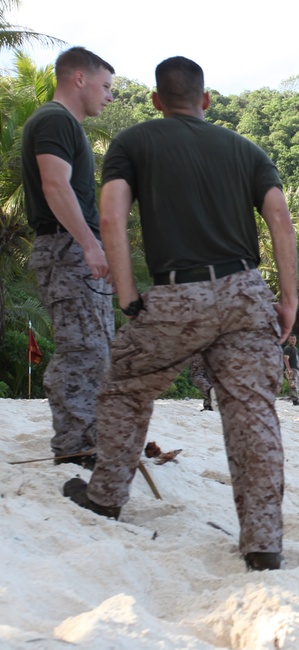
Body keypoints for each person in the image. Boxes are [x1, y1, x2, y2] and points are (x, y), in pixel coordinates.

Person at [61, 56, 299, 572]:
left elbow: (109, 216)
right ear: (206, 100)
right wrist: (289, 299)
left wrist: (128, 296)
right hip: (243, 291)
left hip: (175, 295)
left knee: (126, 387)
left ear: (155, 102)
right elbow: (280, 218)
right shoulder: (245, 149)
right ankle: (262, 544)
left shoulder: (134, 142)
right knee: (252, 413)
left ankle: (105, 497)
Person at [22, 47, 116, 469]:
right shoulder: (55, 119)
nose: (110, 96)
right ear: (80, 78)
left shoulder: (66, 125)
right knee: (82, 350)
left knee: (98, 349)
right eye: (107, 86)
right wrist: (90, 244)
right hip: (65, 248)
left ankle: (89, 439)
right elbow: (54, 185)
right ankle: (75, 448)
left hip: (73, 248)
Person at [282, 334, 299, 406]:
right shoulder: (288, 348)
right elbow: (285, 358)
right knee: (293, 385)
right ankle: (295, 400)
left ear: (296, 340)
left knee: (296, 384)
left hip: (296, 369)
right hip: (291, 369)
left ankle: (296, 399)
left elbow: (297, 360)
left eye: (294, 339)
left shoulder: (295, 349)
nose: (293, 340)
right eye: (291, 339)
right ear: (289, 340)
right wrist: (289, 369)